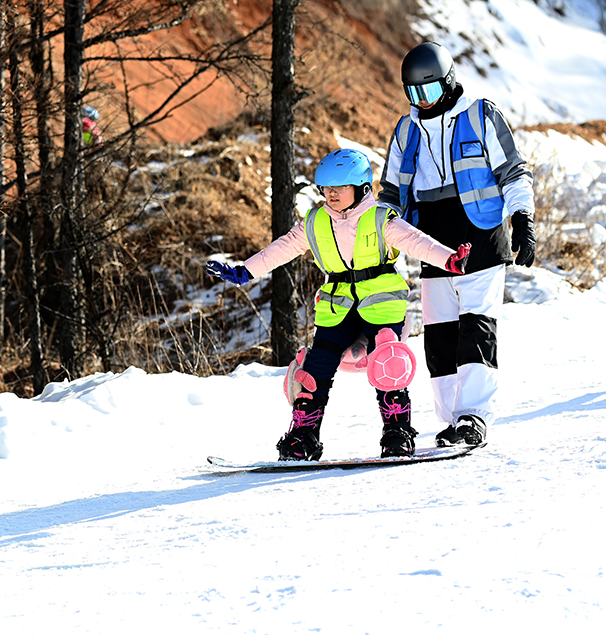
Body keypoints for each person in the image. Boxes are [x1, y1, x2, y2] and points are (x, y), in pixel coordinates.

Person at [206, 149, 471, 460]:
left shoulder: (380, 218)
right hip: (337, 306)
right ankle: (302, 437)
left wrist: (448, 259)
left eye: (339, 187)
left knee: (388, 363)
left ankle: (397, 433)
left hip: (382, 303)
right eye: (326, 187)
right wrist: (244, 271)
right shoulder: (315, 221)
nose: (330, 193)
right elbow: (282, 248)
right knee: (313, 369)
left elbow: (417, 241)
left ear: (360, 188)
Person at [377, 41, 536, 447]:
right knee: (440, 336)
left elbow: (514, 172)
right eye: (413, 94)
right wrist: (380, 241)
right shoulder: (406, 129)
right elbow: (391, 194)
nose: (421, 102)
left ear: (447, 84)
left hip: (480, 233)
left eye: (427, 92)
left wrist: (523, 220)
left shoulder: (481, 116)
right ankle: (452, 419)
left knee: (475, 328)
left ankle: (474, 416)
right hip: (431, 242)